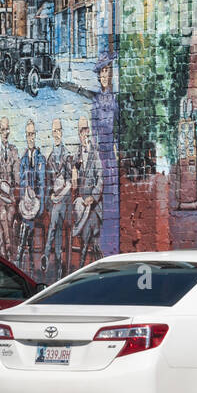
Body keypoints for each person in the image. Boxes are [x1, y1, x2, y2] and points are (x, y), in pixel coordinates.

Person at [91, 50, 119, 258]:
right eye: (101, 72)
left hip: (113, 153)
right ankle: (102, 244)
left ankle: (113, 244)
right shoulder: (96, 102)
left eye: (107, 71)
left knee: (113, 198)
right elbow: (93, 132)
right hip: (101, 153)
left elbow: (119, 126)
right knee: (101, 198)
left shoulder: (115, 100)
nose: (104, 76)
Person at [71, 116, 103, 268]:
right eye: (80, 131)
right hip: (82, 207)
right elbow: (75, 185)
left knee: (90, 238)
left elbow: (100, 180)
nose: (83, 134)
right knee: (84, 240)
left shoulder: (95, 153)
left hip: (94, 207)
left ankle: (91, 268)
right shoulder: (77, 155)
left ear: (88, 132)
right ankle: (83, 270)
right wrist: (74, 175)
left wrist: (93, 197)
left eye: (85, 130)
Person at [43, 118, 73, 274]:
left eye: (59, 130)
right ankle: (60, 265)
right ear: (51, 133)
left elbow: (69, 184)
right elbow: (48, 185)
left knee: (55, 221)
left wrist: (58, 196)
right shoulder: (49, 159)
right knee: (57, 225)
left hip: (65, 202)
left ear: (62, 132)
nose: (56, 134)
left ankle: (46, 255)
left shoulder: (67, 156)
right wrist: (51, 197)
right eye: (54, 131)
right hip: (54, 202)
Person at [16, 120, 45, 268]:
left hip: (37, 204)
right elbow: (21, 182)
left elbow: (42, 182)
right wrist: (27, 190)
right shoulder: (23, 160)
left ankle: (21, 255)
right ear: (25, 137)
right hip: (26, 202)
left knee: (27, 224)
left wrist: (36, 198)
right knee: (26, 221)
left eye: (32, 134)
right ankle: (28, 259)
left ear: (36, 135)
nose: (31, 138)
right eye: (28, 134)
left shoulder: (41, 159)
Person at [0, 117, 19, 258]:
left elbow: (17, 174)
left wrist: (14, 187)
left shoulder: (14, 150)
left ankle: (5, 249)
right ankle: (8, 247)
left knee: (9, 215)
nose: (5, 132)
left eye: (7, 129)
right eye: (3, 130)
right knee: (2, 214)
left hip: (11, 197)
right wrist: (4, 186)